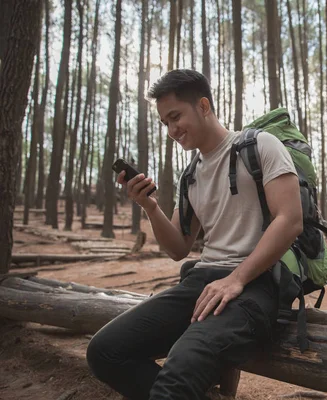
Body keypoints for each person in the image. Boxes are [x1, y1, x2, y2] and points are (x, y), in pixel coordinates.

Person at [86, 69, 302, 400]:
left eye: (176, 117)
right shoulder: (191, 175)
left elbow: (289, 220)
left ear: (203, 106)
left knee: (180, 370)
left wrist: (236, 279)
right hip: (201, 283)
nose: (172, 130)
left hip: (255, 283)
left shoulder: (259, 145)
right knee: (104, 351)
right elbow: (178, 248)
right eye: (165, 123)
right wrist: (150, 207)